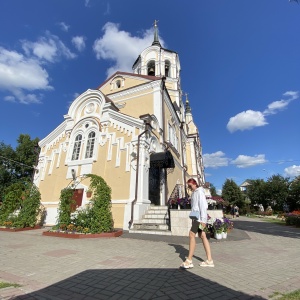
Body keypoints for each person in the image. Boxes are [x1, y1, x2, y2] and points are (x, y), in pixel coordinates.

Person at [180, 178, 214, 269]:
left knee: (191, 235)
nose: (189, 187)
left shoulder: (199, 192)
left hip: (200, 218)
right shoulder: (194, 193)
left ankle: (189, 260)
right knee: (203, 236)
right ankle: (209, 260)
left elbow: (203, 206)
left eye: (190, 185)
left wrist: (203, 220)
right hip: (197, 218)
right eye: (188, 186)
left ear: (195, 184)